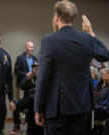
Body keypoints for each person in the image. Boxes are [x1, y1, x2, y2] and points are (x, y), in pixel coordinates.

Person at [34, 1, 109, 135]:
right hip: (83, 107)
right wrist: (91, 33)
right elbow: (104, 55)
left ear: (56, 17)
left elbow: (43, 77)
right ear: (73, 17)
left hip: (57, 108)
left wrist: (38, 108)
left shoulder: (49, 40)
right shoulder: (86, 38)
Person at [10, 41, 37, 134]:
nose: (31, 49)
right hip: (23, 84)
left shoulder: (34, 58)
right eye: (30, 47)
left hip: (33, 85)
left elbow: (36, 70)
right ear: (26, 47)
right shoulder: (20, 58)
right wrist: (26, 75)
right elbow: (16, 70)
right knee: (21, 105)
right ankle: (20, 123)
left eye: (32, 47)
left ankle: (27, 123)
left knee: (29, 105)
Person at [20, 63, 44, 135]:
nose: (35, 69)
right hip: (28, 99)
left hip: (39, 100)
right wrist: (27, 78)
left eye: (37, 68)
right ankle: (18, 123)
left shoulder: (43, 77)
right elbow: (22, 86)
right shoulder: (29, 76)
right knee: (17, 105)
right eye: (34, 68)